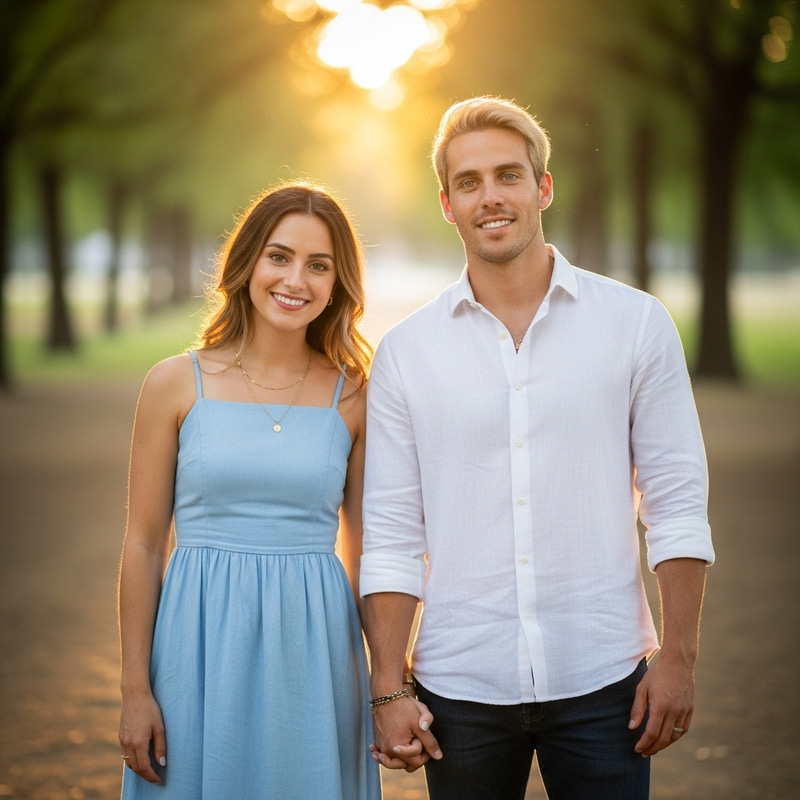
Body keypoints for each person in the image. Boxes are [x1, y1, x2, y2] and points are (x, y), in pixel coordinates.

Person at [360, 96, 715, 799]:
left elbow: (676, 501)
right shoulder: (405, 354)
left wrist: (677, 657)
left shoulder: (636, 325)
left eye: (508, 175)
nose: (490, 196)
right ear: (447, 204)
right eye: (469, 182)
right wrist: (386, 688)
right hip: (459, 691)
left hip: (606, 682)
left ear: (543, 187)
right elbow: (393, 533)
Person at [117, 179, 380, 799]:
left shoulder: (357, 396)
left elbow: (368, 546)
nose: (296, 281)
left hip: (314, 647)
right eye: (280, 256)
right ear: (248, 262)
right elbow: (143, 545)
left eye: (320, 266)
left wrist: (388, 682)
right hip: (195, 643)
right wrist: (135, 689)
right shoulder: (174, 384)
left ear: (338, 283)